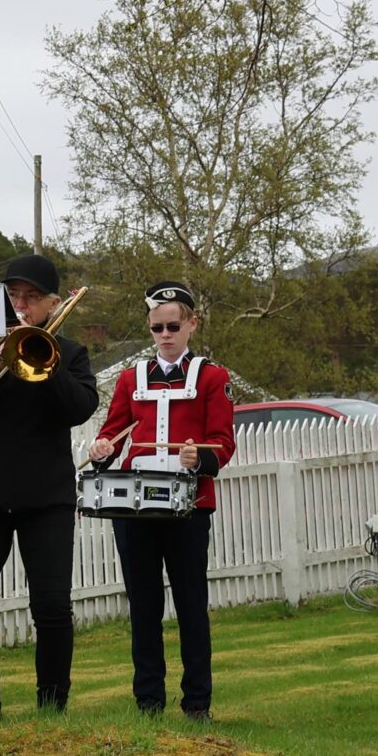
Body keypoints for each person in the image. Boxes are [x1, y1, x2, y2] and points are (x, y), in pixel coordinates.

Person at [0, 253, 99, 718]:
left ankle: (52, 707)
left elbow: (79, 409)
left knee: (51, 608)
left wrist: (43, 363)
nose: (21, 305)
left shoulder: (70, 353)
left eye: (31, 297)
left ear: (54, 303)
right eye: (15, 296)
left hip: (45, 498)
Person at [89, 282, 235, 719]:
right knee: (143, 605)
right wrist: (102, 448)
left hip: (189, 506)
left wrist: (199, 456)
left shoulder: (213, 377)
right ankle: (148, 702)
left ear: (192, 324)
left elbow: (223, 442)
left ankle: (197, 703)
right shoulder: (130, 379)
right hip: (135, 508)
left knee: (191, 605)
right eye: (157, 328)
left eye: (173, 326)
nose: (165, 335)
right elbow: (114, 433)